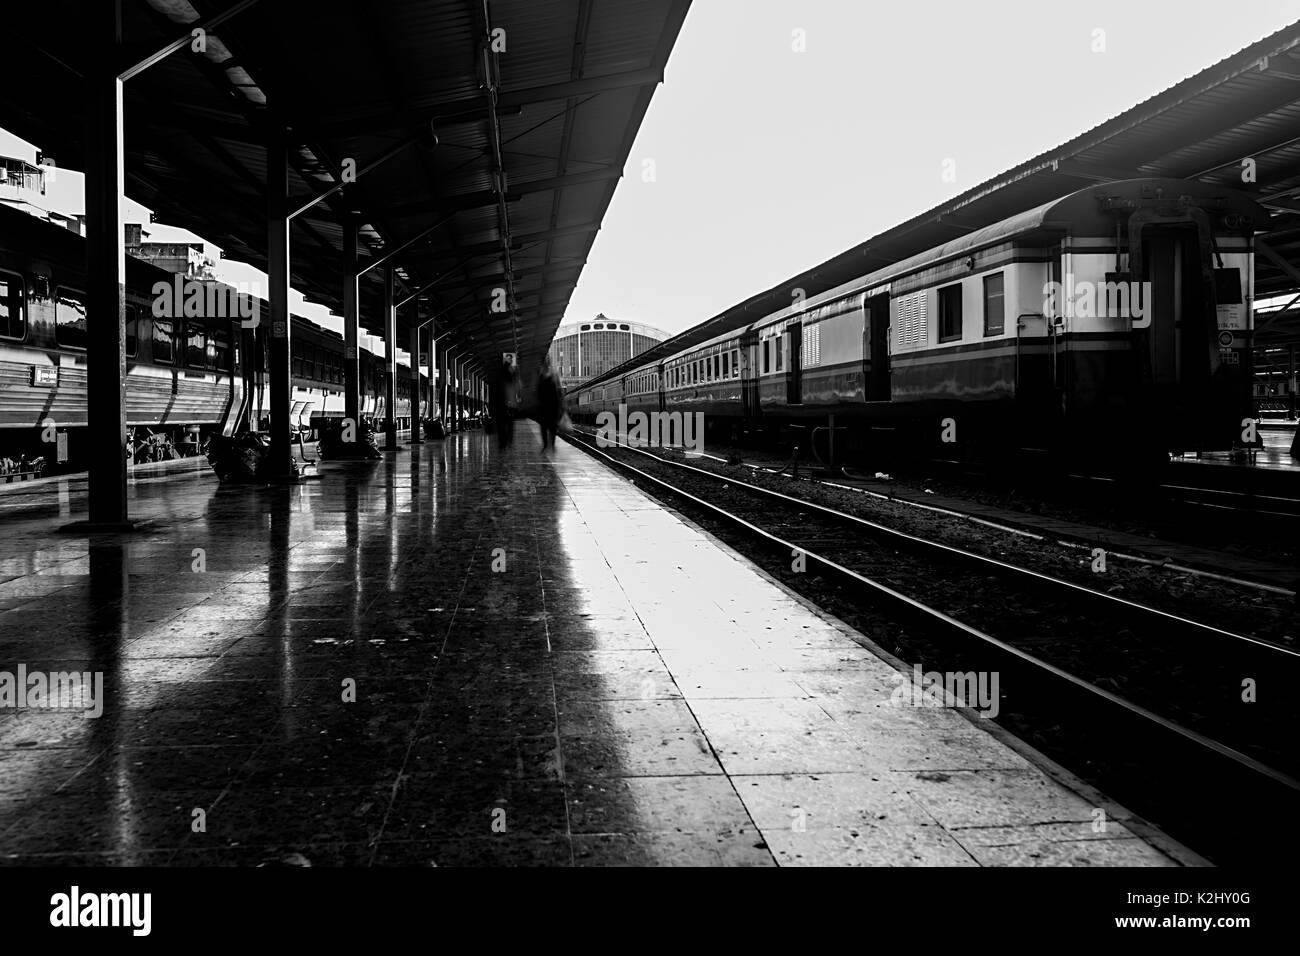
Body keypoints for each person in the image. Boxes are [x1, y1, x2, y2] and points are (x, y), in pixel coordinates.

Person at [488, 355, 519, 451]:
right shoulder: (510, 374)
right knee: (509, 423)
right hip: (508, 403)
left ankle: (503, 443)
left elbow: (493, 390)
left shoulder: (496, 374)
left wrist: (492, 405)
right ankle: (508, 440)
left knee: (501, 424)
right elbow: (513, 388)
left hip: (499, 404)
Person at [537, 354, 565, 451]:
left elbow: (559, 390)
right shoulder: (541, 375)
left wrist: (561, 404)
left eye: (547, 360)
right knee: (544, 426)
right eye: (545, 360)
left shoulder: (554, 374)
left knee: (552, 426)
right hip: (544, 405)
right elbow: (538, 391)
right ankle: (545, 445)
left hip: (554, 405)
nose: (546, 362)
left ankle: (552, 445)